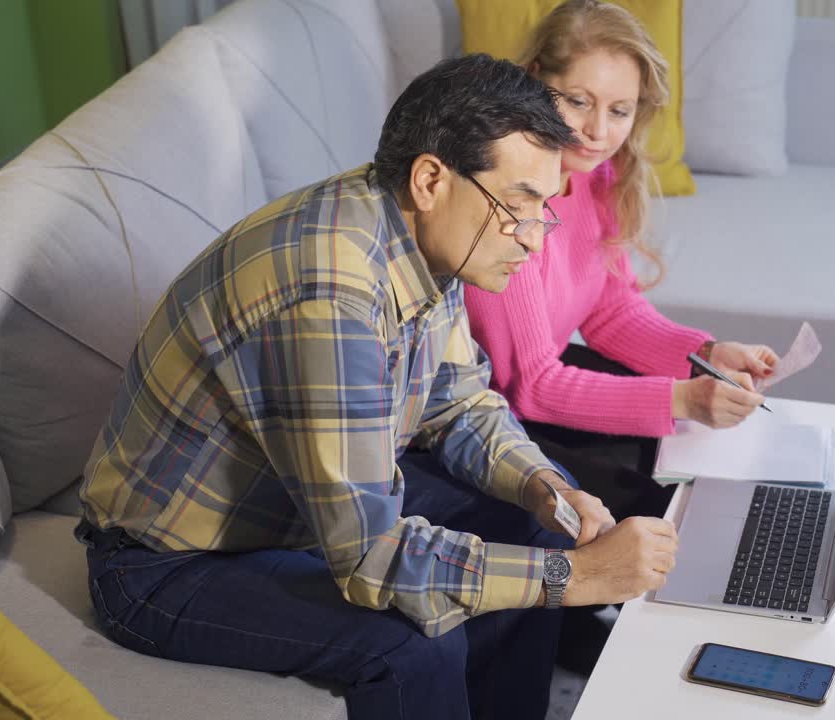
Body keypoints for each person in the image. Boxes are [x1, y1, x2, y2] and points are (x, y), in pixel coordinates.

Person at [75, 54, 677, 720]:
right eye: (517, 209)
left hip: (294, 506)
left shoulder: (417, 227)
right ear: (430, 179)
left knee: (529, 518)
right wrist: (575, 580)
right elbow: (370, 558)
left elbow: (459, 403)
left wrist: (548, 487)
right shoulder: (329, 294)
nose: (533, 242)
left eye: (543, 211)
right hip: (169, 566)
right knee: (412, 643)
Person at [465, 0, 780, 524]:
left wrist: (705, 353)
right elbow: (532, 386)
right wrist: (683, 397)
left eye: (619, 110)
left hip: (537, 385)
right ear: (535, 81)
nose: (597, 131)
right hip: (486, 418)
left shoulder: (594, 176)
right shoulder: (505, 201)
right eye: (577, 101)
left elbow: (611, 311)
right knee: (660, 496)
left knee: (682, 461)